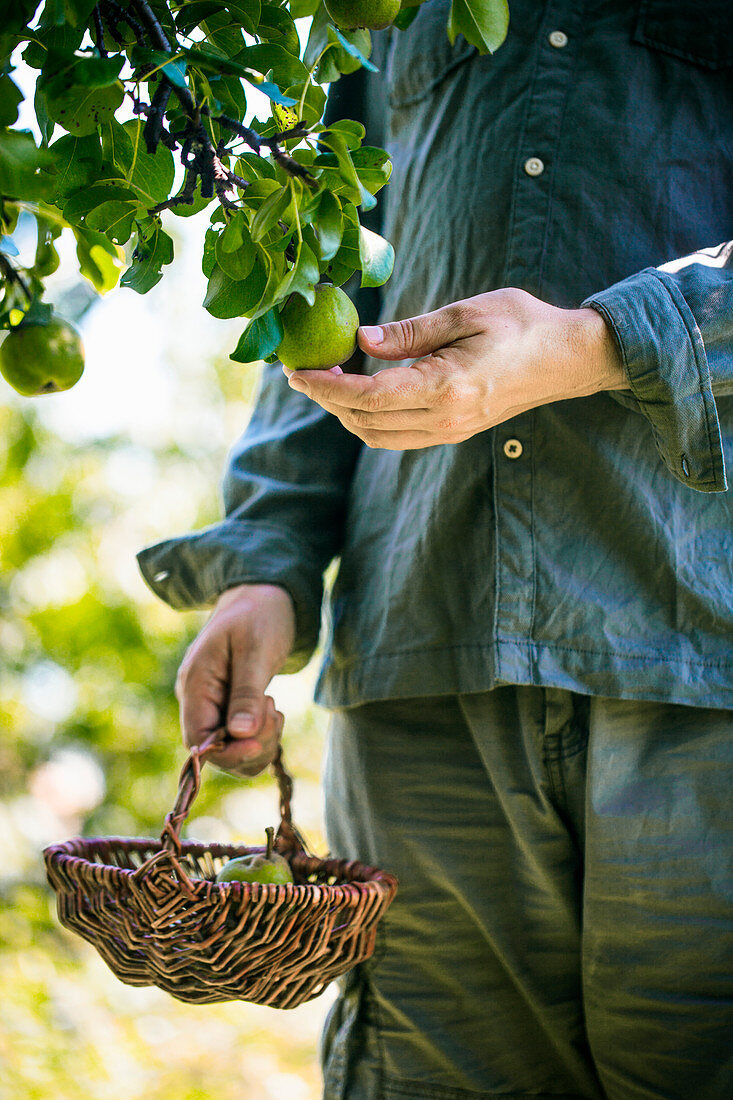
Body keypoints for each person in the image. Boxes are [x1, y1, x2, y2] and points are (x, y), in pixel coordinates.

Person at [138, 2, 733, 1097]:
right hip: (423, 657)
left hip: (702, 654)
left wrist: (596, 342)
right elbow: (324, 290)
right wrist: (266, 562)